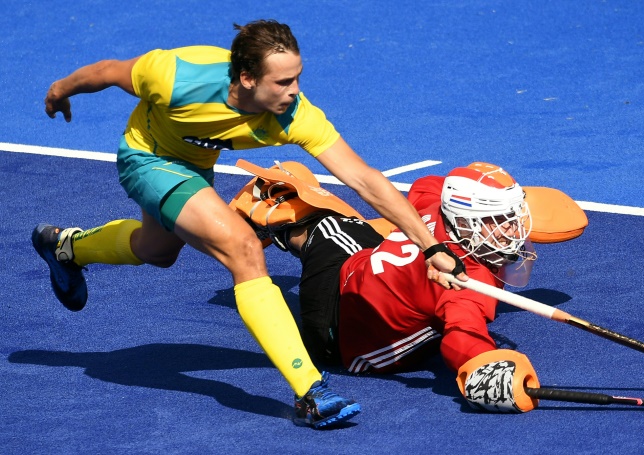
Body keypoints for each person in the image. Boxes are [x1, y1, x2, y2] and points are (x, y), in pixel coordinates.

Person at [34, 19, 467, 429]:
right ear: (246, 78)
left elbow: (365, 180)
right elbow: (109, 71)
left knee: (157, 251)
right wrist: (59, 90)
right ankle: (309, 390)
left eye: (297, 78)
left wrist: (431, 247)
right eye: (283, 82)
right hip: (147, 159)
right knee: (244, 248)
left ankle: (65, 247)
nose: (295, 92)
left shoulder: (297, 116)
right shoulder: (177, 75)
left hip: (194, 167)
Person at [231, 160, 588, 413]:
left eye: (511, 218)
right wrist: (485, 365)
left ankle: (324, 219)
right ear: (465, 221)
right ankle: (273, 212)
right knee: (324, 226)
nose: (513, 231)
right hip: (336, 321)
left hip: (364, 287)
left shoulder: (433, 203)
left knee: (353, 229)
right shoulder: (468, 284)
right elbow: (462, 337)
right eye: (500, 221)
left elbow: (429, 184)